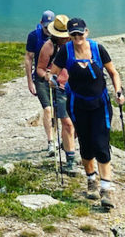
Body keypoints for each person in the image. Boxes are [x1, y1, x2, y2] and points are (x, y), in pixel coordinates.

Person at [48, 17, 125, 209]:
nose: (77, 37)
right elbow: (53, 72)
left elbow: (113, 73)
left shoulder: (98, 50)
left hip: (100, 105)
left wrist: (118, 92)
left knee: (101, 144)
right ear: (69, 35)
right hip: (77, 105)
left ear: (86, 32)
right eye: (73, 34)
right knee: (86, 145)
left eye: (80, 33)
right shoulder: (66, 51)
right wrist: (53, 80)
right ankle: (91, 180)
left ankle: (106, 189)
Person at [35, 13, 77, 174]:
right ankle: (69, 157)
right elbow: (39, 68)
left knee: (75, 124)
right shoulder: (49, 47)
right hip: (57, 86)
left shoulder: (75, 44)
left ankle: (67, 146)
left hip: (74, 86)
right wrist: (47, 76)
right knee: (66, 122)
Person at [24, 9, 57, 152]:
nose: (48, 30)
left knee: (58, 110)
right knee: (47, 109)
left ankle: (58, 139)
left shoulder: (59, 37)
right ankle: (50, 141)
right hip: (40, 77)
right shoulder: (34, 36)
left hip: (56, 77)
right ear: (41, 24)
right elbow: (28, 59)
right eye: (46, 27)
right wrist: (30, 82)